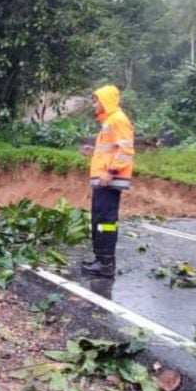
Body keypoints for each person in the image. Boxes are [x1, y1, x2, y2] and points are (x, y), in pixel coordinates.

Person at [80, 85, 134, 278]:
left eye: (96, 100)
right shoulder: (110, 121)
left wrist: (111, 172)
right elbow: (110, 150)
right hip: (105, 180)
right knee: (100, 219)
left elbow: (125, 150)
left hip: (109, 180)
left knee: (105, 221)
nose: (94, 104)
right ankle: (101, 259)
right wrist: (92, 152)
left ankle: (105, 263)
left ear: (105, 101)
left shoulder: (118, 120)